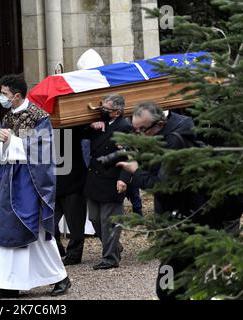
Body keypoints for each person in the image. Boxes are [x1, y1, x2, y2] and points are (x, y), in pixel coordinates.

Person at [117, 102, 243, 299]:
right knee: (177, 286)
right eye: (135, 129)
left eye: (142, 130)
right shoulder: (168, 133)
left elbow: (162, 186)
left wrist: (135, 170)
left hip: (188, 224)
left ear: (159, 124)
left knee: (169, 290)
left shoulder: (176, 141)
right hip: (181, 222)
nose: (138, 134)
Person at [0, 74, 71, 299]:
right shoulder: (8, 116)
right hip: (9, 179)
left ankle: (60, 277)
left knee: (33, 230)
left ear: (16, 96)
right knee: (8, 232)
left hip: (30, 181)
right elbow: (0, 147)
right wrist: (0, 141)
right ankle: (8, 283)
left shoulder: (38, 116)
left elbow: (42, 149)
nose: (1, 97)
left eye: (4, 94)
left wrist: (11, 141)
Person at [83, 93, 132, 270]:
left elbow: (130, 155)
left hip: (112, 178)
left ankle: (110, 257)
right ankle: (115, 246)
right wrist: (91, 126)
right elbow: (83, 134)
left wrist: (124, 179)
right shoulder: (100, 123)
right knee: (94, 219)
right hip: (95, 178)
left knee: (108, 221)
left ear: (117, 112)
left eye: (106, 109)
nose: (102, 111)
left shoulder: (125, 127)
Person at [54, 126, 88, 265]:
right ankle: (56, 250)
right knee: (47, 223)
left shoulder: (74, 128)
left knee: (75, 224)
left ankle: (74, 255)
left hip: (74, 181)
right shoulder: (45, 126)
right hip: (54, 182)